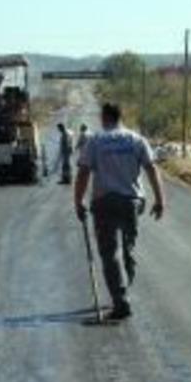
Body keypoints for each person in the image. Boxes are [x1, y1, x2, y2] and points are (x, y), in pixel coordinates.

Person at [74, 102, 166, 321]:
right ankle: (124, 282)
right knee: (127, 247)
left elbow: (83, 173)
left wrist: (78, 201)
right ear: (120, 117)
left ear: (105, 117)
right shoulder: (136, 140)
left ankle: (120, 300)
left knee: (109, 253)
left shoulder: (95, 141)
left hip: (104, 202)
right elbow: (151, 168)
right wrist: (160, 200)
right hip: (132, 202)